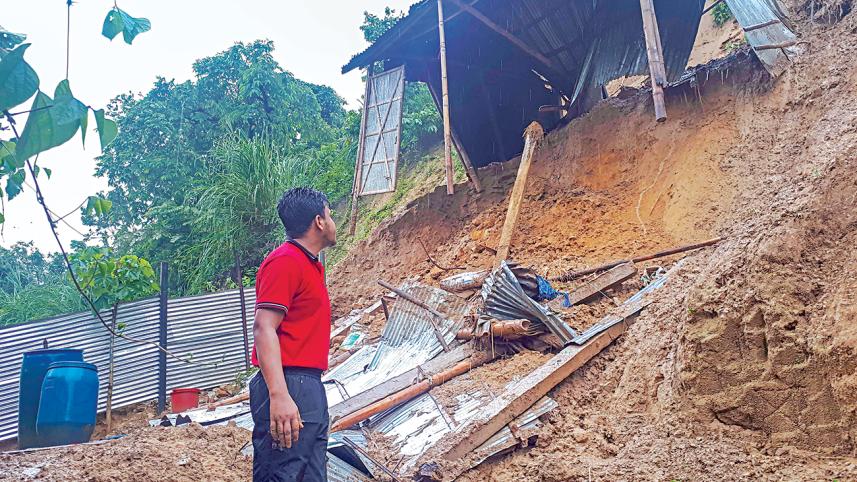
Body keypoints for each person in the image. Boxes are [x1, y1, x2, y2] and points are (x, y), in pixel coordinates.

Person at [250, 187, 336, 481]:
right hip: (288, 383)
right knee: (281, 473)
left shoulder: (309, 265)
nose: (332, 220)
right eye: (330, 213)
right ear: (319, 221)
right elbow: (264, 328)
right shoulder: (285, 261)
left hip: (307, 383)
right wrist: (279, 395)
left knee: (310, 475)